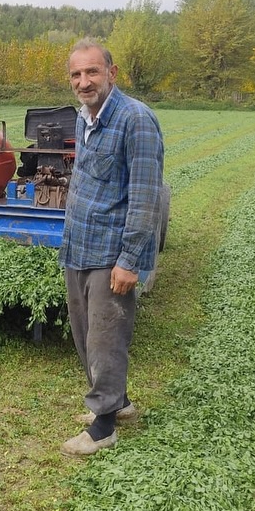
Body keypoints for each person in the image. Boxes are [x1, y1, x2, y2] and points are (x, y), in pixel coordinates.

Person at [59, 39, 164, 456]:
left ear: (112, 73)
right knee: (85, 332)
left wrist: (129, 260)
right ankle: (117, 402)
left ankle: (103, 427)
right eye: (76, 74)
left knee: (105, 336)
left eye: (92, 72)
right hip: (79, 244)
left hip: (110, 252)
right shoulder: (85, 118)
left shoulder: (135, 120)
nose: (84, 82)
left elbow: (144, 196)